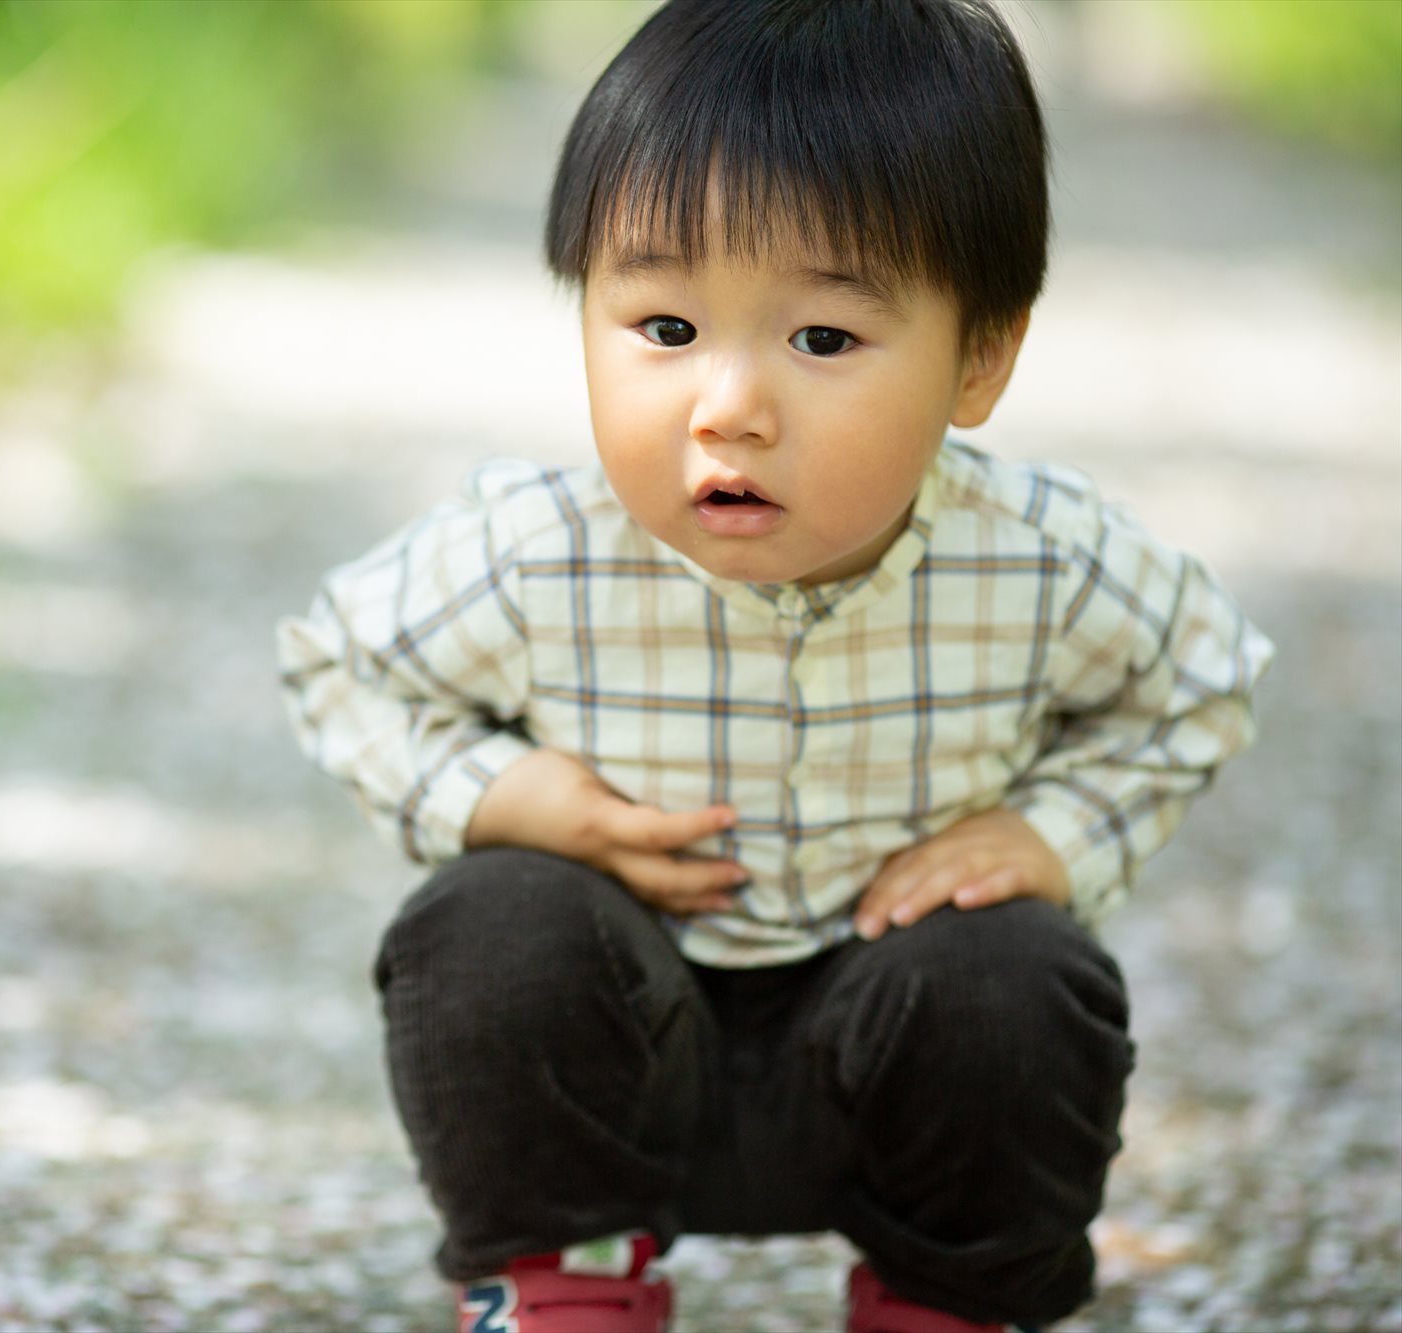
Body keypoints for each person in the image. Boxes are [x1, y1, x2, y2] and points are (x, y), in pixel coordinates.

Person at [276, 1, 1273, 1329]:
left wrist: (1051, 832)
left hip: (893, 1057)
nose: (729, 405)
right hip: (617, 1061)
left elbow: (1201, 679)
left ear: (980, 355)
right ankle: (560, 1288)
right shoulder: (535, 550)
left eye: (822, 340)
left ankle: (946, 1302)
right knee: (492, 919)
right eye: (666, 327)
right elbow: (336, 663)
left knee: (1024, 975)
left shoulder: (1042, 558)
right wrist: (502, 796)